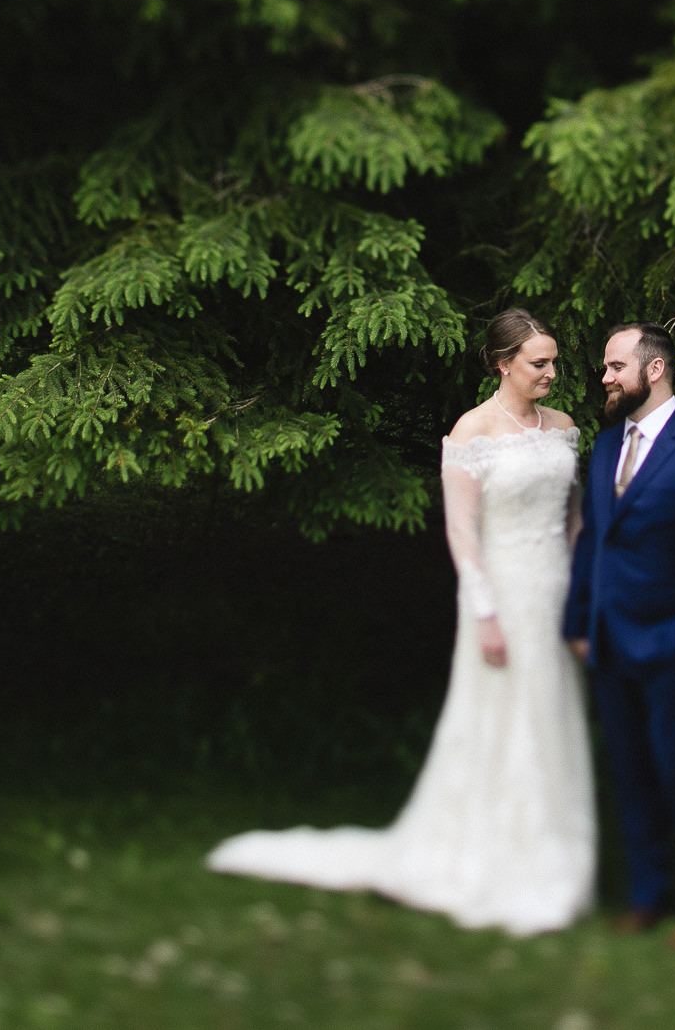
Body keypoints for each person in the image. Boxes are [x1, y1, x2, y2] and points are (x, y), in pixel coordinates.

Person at [206, 309, 595, 935]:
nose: (552, 372)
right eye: (538, 363)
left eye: (553, 361)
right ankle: (491, 856)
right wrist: (486, 614)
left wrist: (585, 596)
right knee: (501, 722)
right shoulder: (472, 433)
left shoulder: (565, 427)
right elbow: (462, 533)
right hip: (501, 597)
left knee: (551, 718)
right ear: (504, 365)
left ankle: (555, 852)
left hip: (556, 593)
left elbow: (575, 520)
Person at [564, 321, 675, 951]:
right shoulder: (607, 449)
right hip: (609, 643)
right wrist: (578, 621)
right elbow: (593, 542)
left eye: (615, 367)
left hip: (672, 648)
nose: (605, 378)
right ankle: (647, 895)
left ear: (654, 369)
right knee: (631, 773)